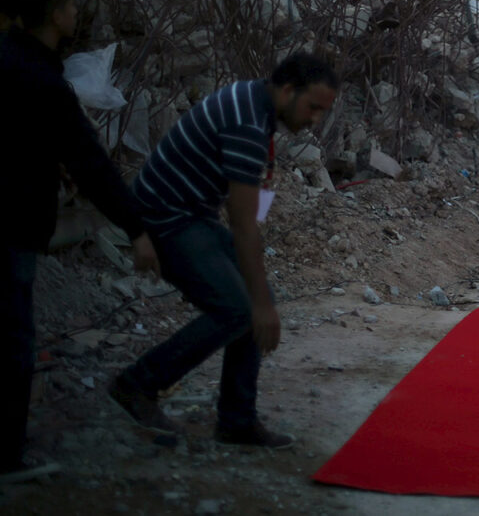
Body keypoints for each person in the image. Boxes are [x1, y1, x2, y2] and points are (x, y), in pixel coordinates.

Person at [109, 53, 338, 449]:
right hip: (165, 217)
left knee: (251, 300)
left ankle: (236, 421)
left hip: (189, 214)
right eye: (313, 107)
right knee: (239, 308)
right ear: (287, 90)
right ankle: (137, 384)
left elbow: (256, 201)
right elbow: (244, 224)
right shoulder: (249, 123)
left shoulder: (255, 102)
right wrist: (262, 302)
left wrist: (260, 288)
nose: (315, 118)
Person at [2, 0, 160, 482]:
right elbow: (92, 162)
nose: (77, 12)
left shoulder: (13, 60)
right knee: (14, 342)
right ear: (54, 14)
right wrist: (136, 228)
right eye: (71, 4)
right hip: (12, 224)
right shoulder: (43, 81)